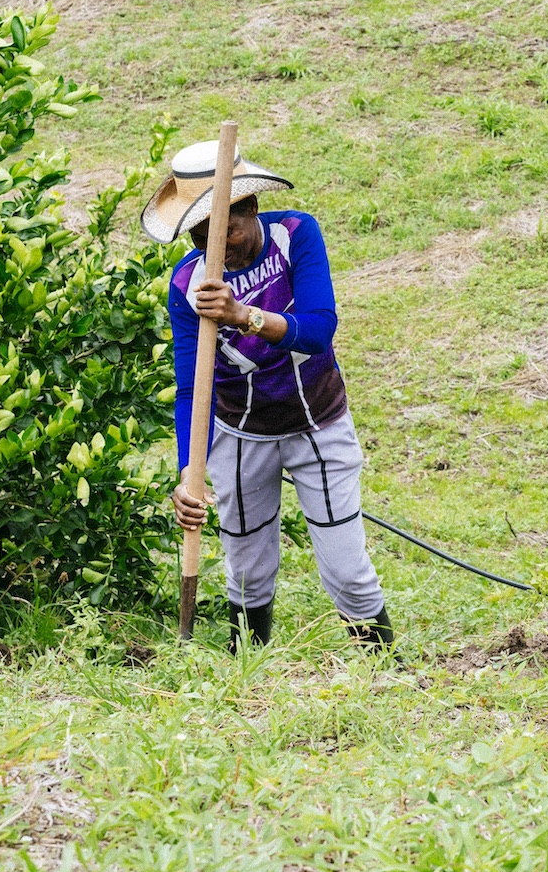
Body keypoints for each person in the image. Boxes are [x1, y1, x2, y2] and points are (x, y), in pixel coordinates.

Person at [141, 141, 393, 648]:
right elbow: (194, 387)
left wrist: (244, 317)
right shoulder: (188, 283)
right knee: (247, 573)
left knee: (347, 573)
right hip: (240, 434)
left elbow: (320, 328)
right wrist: (189, 474)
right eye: (199, 233)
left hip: (317, 423)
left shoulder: (296, 234)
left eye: (226, 229)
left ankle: (387, 672)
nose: (217, 247)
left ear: (251, 207)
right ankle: (248, 674)